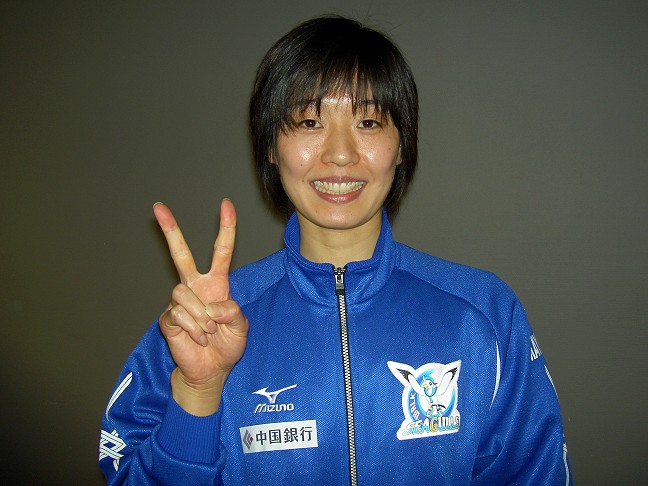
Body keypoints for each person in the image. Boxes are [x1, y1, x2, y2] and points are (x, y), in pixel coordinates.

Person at [100, 15, 572, 485]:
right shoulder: (205, 323)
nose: (341, 153)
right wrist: (199, 391)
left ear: (401, 145)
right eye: (309, 122)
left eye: (368, 121)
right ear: (270, 146)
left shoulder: (483, 314)